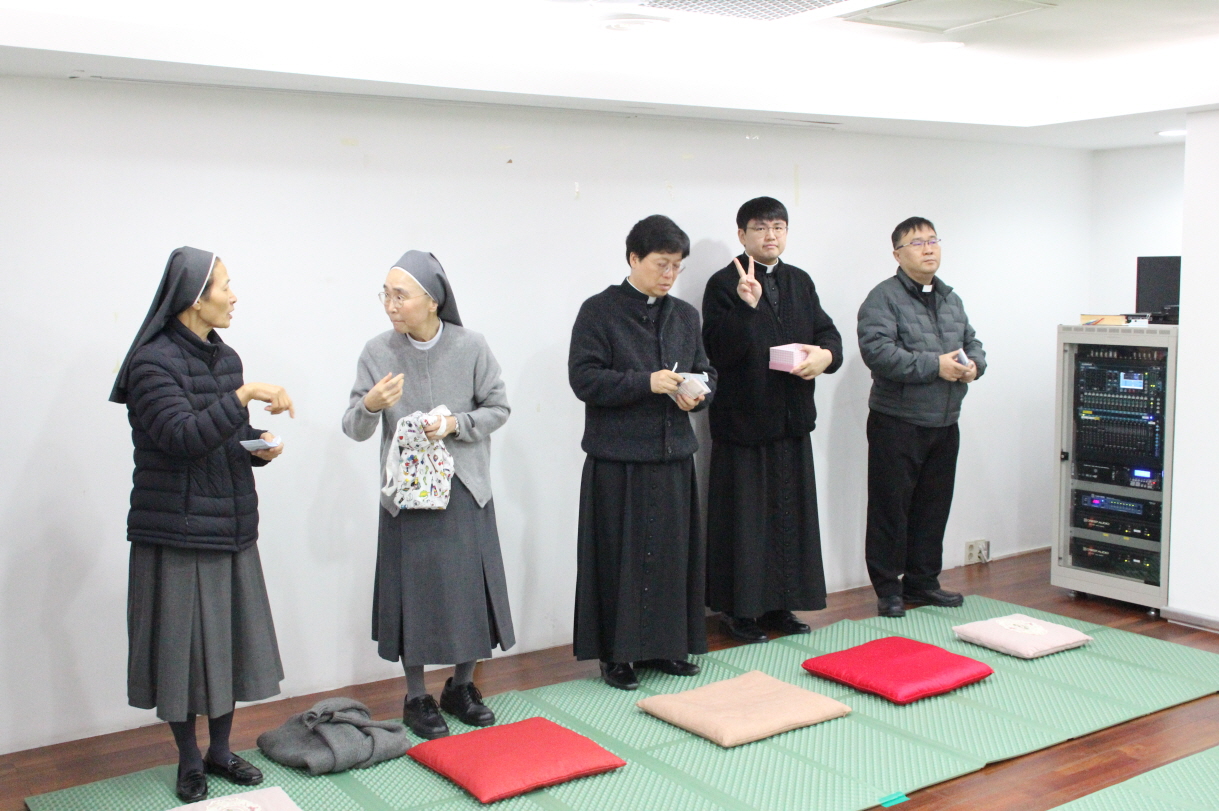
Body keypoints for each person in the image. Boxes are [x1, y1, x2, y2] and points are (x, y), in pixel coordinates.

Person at [110, 247, 294, 803]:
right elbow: (181, 438)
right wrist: (243, 395)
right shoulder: (151, 364)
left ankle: (220, 750)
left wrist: (256, 447)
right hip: (176, 531)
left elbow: (220, 438)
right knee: (182, 654)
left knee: (227, 647)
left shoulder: (226, 357)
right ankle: (189, 758)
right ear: (195, 298)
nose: (234, 296)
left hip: (230, 525)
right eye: (225, 286)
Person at [342, 251, 514, 740]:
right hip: (407, 495)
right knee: (413, 598)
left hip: (465, 488)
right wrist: (370, 405)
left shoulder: (471, 345)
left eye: (401, 295)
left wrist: (456, 423)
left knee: (469, 594)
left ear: (433, 300)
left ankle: (461, 687)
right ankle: (416, 696)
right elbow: (353, 427)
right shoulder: (377, 352)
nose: (391, 305)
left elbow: (499, 408)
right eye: (386, 295)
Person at [568, 214, 717, 690]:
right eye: (661, 264)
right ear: (634, 258)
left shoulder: (685, 315)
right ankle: (617, 656)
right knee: (619, 562)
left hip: (673, 455)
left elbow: (705, 370)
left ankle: (669, 647)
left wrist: (699, 394)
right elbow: (584, 379)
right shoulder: (599, 311)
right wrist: (645, 383)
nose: (670, 274)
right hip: (619, 460)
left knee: (673, 558)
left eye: (677, 266)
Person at [702, 196, 843, 643]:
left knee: (790, 518)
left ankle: (782, 605)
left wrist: (825, 356)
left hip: (791, 419)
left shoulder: (799, 280)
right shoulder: (723, 283)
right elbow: (717, 351)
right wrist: (746, 307)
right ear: (741, 234)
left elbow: (827, 333)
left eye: (778, 227)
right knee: (744, 524)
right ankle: (738, 611)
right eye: (760, 227)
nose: (770, 235)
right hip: (743, 424)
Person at [857, 217, 986, 618]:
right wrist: (936, 366)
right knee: (890, 509)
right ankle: (888, 589)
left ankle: (923, 582)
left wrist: (974, 366)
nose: (928, 248)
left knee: (933, 507)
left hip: (945, 421)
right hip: (898, 421)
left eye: (933, 240)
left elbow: (972, 343)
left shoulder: (950, 298)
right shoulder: (883, 298)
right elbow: (878, 353)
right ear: (897, 254)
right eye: (916, 243)